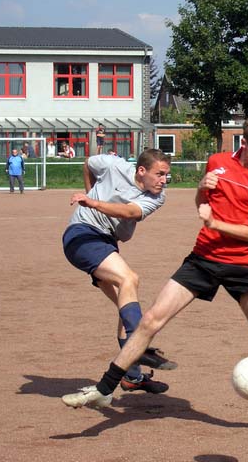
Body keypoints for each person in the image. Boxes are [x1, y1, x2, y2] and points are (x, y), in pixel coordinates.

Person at [61, 116, 248, 433]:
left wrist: (215, 224)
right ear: (244, 143)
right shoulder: (218, 162)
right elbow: (202, 203)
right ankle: (104, 390)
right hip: (203, 258)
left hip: (244, 264)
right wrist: (201, 189)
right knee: (151, 319)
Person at [61, 149, 177, 395]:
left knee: (127, 304)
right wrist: (91, 193)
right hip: (82, 234)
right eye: (159, 174)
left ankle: (132, 377)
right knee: (129, 279)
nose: (163, 180)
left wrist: (94, 202)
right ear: (141, 171)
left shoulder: (157, 197)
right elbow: (88, 163)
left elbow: (129, 212)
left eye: (166, 175)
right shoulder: (114, 165)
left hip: (106, 242)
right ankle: (141, 345)